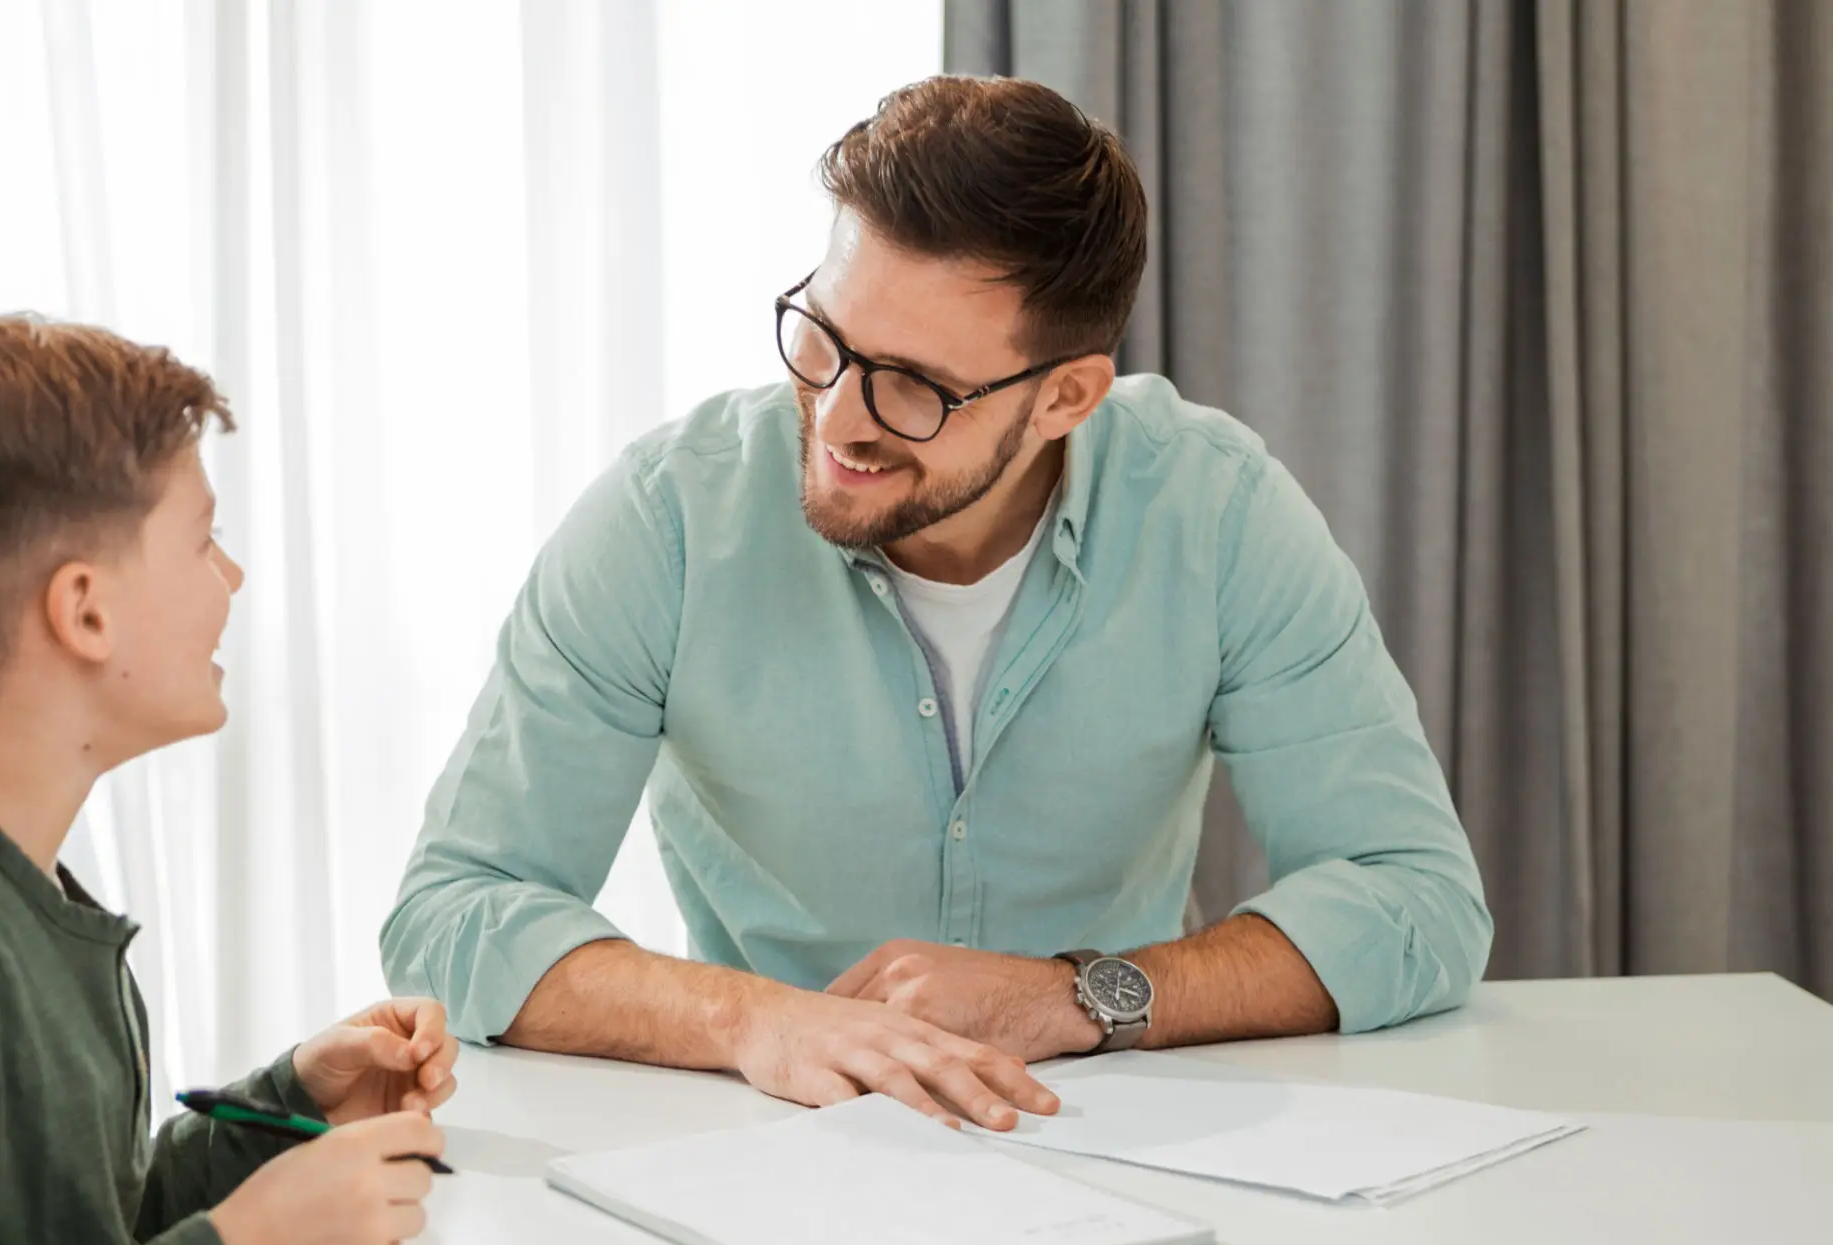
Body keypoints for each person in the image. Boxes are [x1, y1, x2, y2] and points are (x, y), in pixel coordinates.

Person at [384, 75, 1491, 1133]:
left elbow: (1415, 904)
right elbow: (452, 912)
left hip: (1120, 1129)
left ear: (1064, 396)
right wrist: (754, 1019)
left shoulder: (1215, 511)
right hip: (765, 1135)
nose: (836, 416)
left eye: (914, 385)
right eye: (820, 338)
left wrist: (1067, 1000)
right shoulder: (666, 519)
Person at [0, 316, 461, 1245]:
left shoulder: (9, 877)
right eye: (200, 540)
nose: (229, 579)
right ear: (84, 612)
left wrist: (281, 1108)